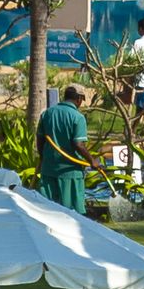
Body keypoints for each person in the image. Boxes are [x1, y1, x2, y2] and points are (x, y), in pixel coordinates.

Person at [36, 83, 95, 213]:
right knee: (73, 214)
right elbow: (78, 144)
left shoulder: (47, 114)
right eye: (81, 100)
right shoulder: (77, 117)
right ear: (79, 99)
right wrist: (92, 161)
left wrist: (43, 158)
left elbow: (40, 139)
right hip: (70, 173)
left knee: (46, 211)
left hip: (48, 170)